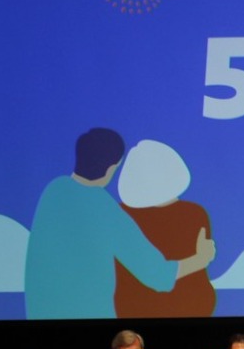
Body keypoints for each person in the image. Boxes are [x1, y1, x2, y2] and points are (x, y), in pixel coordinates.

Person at [24, 126, 214, 319]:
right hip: (89, 318)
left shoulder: (54, 190)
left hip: (41, 317)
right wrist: (201, 259)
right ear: (110, 169)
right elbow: (157, 274)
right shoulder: (105, 208)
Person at [112, 138, 217, 318]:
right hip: (190, 307)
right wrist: (202, 259)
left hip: (131, 308)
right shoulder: (194, 213)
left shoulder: (118, 214)